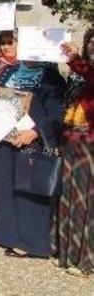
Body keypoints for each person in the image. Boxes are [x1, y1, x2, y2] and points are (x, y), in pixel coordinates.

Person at [0, 31, 66, 258]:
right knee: (6, 188)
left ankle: (32, 243)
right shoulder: (11, 70)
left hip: (31, 142)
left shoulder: (51, 76)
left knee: (29, 191)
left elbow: (57, 113)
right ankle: (7, 235)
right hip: (6, 139)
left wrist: (35, 132)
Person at [57, 31, 94, 275]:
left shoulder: (84, 69)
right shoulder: (79, 71)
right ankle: (68, 253)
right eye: (91, 41)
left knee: (87, 198)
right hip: (73, 137)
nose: (93, 45)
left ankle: (86, 258)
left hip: (90, 141)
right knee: (70, 194)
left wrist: (74, 59)